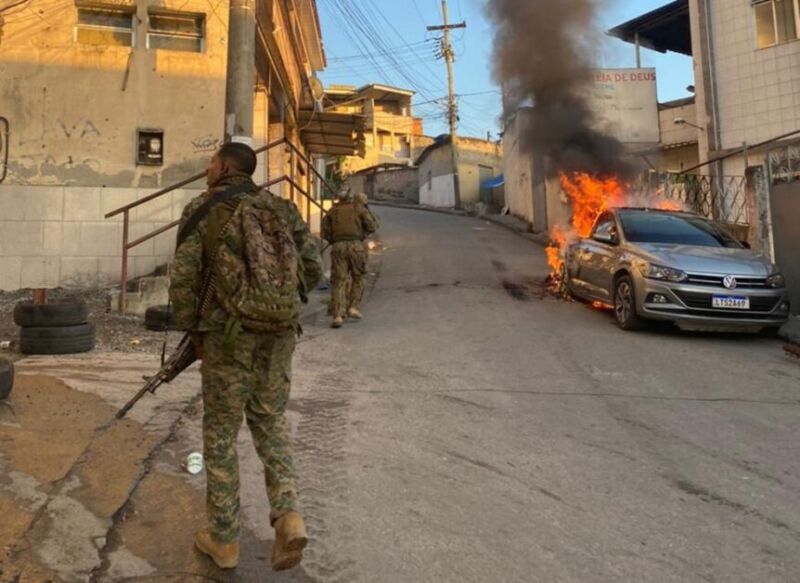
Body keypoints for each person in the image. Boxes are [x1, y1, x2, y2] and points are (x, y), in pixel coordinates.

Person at [169, 143, 322, 572]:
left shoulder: (202, 209)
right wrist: (275, 308)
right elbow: (312, 270)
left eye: (210, 161)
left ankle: (224, 540)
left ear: (223, 167)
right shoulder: (282, 209)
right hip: (278, 335)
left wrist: (194, 330)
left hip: (226, 339)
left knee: (220, 434)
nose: (206, 167)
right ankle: (288, 514)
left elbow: (182, 279)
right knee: (270, 420)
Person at [321, 190, 378, 328]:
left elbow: (324, 232)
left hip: (338, 247)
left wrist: (334, 240)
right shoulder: (358, 208)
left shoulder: (332, 211)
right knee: (359, 276)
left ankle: (338, 315)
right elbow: (372, 226)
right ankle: (354, 307)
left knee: (338, 280)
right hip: (356, 246)